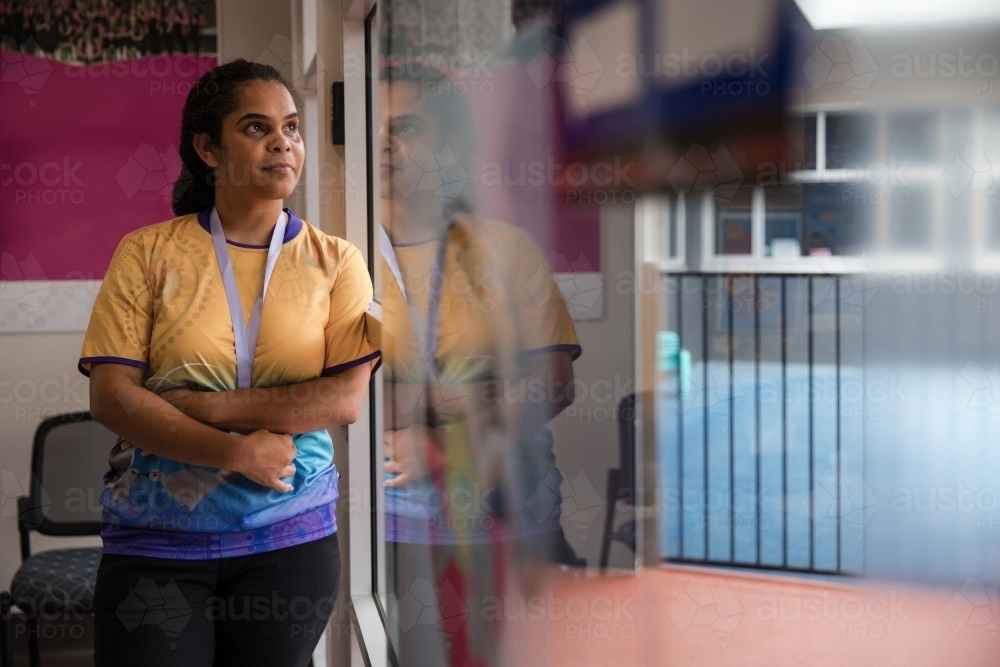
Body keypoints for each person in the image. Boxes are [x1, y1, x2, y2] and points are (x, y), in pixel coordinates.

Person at [82, 59, 379, 666]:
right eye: (255, 127)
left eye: (292, 128)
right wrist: (235, 451)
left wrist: (207, 407)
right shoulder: (147, 253)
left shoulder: (338, 261)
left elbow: (342, 400)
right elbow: (112, 397)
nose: (282, 142)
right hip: (158, 542)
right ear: (207, 149)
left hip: (289, 541)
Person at [378, 63, 583, 667]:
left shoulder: (503, 249)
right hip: (388, 522)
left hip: (507, 503)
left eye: (406, 126)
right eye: (375, 128)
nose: (385, 143)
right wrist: (481, 390)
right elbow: (340, 392)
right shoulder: (335, 255)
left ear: (451, 143)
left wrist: (442, 443)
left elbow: (553, 384)